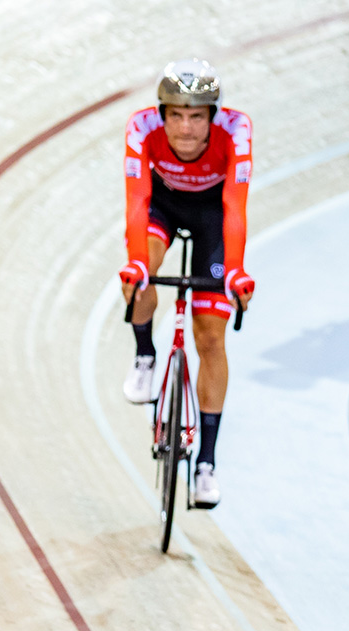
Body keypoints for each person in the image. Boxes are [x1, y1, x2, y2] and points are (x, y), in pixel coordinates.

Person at [119, 57, 256, 510]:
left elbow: (235, 207)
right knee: (139, 276)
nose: (185, 128)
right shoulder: (141, 129)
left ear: (213, 117)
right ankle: (145, 355)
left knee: (211, 340)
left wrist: (234, 270)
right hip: (161, 208)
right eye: (175, 115)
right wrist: (138, 264)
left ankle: (206, 465)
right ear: (161, 115)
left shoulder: (237, 131)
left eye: (197, 116)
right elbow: (137, 201)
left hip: (212, 220)